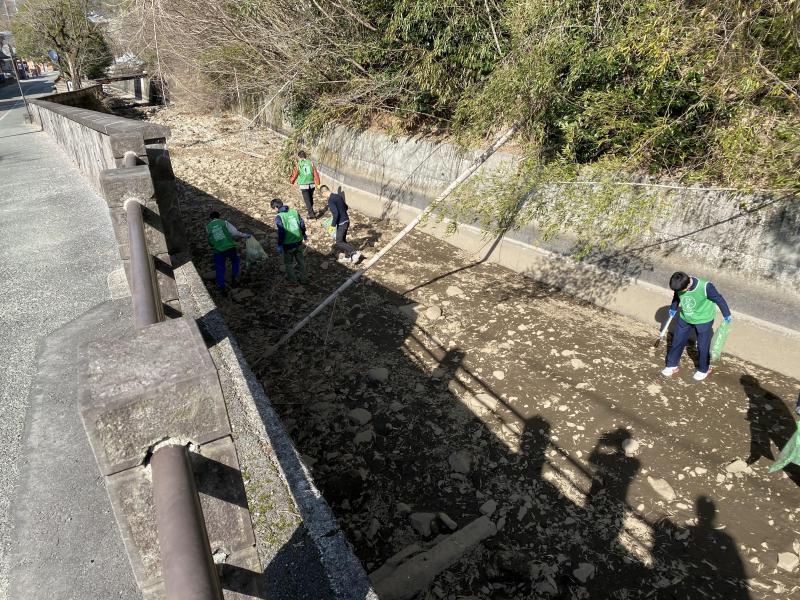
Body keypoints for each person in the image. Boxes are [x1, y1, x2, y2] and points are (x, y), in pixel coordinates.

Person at [661, 271, 731, 381]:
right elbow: (676, 296)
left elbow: (719, 299)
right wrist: (673, 308)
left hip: (704, 319)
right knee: (677, 340)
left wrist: (726, 314)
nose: (679, 292)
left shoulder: (706, 287)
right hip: (685, 317)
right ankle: (672, 365)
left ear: (687, 285)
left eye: (681, 290)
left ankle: (704, 369)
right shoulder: (680, 285)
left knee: (702, 346)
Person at [206, 211, 250, 291]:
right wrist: (245, 235)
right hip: (229, 247)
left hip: (218, 250)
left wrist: (213, 245)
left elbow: (210, 239)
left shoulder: (208, 227)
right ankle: (235, 277)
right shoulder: (224, 222)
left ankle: (221, 286)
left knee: (220, 267)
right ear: (219, 216)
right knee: (235, 261)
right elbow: (235, 232)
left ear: (210, 218)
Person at [319, 185, 361, 264]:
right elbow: (346, 207)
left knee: (339, 242)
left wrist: (332, 225)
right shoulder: (338, 196)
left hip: (341, 223)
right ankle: (348, 256)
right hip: (346, 221)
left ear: (323, 193)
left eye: (322, 195)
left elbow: (336, 214)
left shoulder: (331, 200)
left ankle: (354, 252)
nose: (323, 196)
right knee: (343, 240)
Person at [271, 198, 309, 286]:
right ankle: (304, 279)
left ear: (276, 207)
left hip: (288, 244)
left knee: (288, 263)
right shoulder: (294, 212)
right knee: (301, 261)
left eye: (273, 209)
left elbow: (281, 231)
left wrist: (280, 244)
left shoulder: (279, 217)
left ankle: (293, 281)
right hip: (298, 241)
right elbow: (302, 224)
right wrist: (304, 234)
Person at [289, 150, 320, 220]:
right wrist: (318, 182)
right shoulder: (310, 163)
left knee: (307, 200)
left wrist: (292, 181)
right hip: (311, 184)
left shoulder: (298, 164)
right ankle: (311, 212)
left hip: (304, 184)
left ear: (299, 157)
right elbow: (315, 173)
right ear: (305, 156)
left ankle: (311, 214)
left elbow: (295, 174)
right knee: (310, 198)